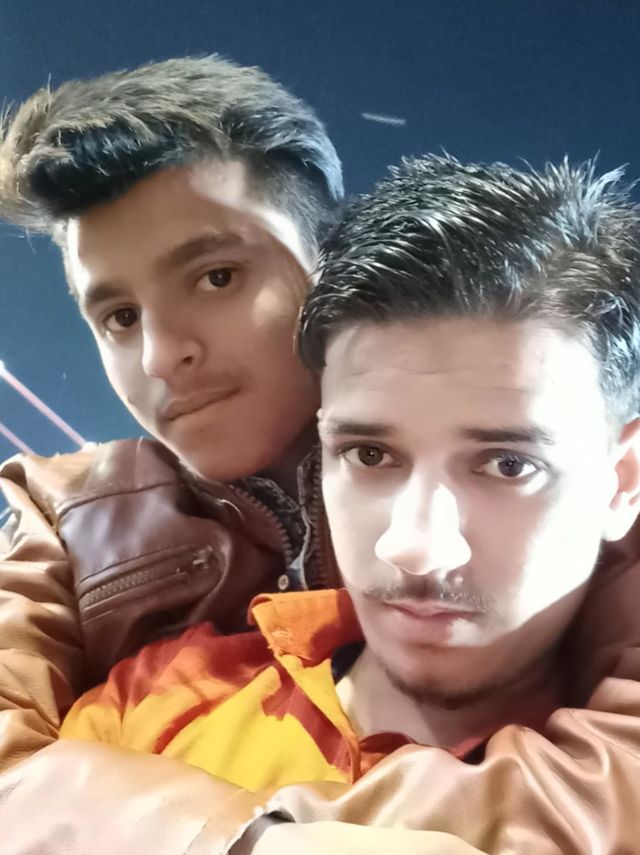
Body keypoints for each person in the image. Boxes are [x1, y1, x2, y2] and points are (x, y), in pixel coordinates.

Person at [0, 56, 639, 854]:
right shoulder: (71, 518)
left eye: (216, 277)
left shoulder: (584, 469)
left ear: (326, 265)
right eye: (119, 318)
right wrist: (256, 839)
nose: (161, 355)